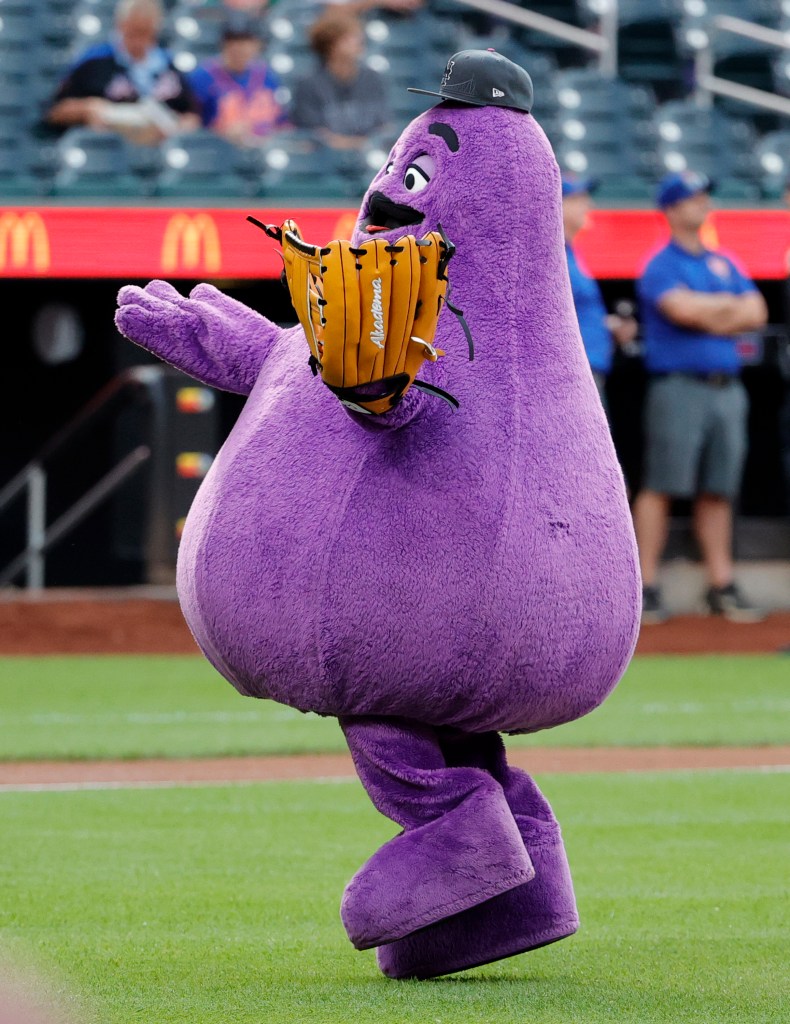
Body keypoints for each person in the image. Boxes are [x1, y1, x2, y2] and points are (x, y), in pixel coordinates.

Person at [633, 170, 769, 624]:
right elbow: (680, 310)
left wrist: (714, 312)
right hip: (679, 386)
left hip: (726, 388)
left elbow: (756, 310)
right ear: (671, 208)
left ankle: (721, 585)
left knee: (719, 488)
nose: (703, 204)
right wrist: (725, 311)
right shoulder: (661, 263)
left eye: (705, 196)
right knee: (662, 486)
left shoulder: (723, 261)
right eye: (692, 198)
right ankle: (644, 586)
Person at [44, 0, 200, 146]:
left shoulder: (167, 65)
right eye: (133, 32)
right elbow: (55, 112)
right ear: (120, 25)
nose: (139, 41)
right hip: (107, 152)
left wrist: (183, 125)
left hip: (158, 155)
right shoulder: (95, 61)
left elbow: (191, 116)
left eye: (146, 33)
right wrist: (87, 108)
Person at [562, 172, 639, 417]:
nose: (589, 205)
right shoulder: (551, 255)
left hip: (588, 375)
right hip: (570, 380)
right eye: (579, 198)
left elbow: (575, 313)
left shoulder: (571, 253)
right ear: (557, 203)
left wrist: (608, 325)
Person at [288, 8, 392, 152]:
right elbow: (314, 138)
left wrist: (356, 145)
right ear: (331, 45)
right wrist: (360, 144)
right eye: (349, 38)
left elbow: (384, 128)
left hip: (368, 164)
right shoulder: (308, 84)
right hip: (325, 164)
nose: (359, 42)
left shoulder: (372, 79)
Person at [187, 12, 288, 147]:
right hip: (220, 155)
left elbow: (283, 124)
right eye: (232, 40)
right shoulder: (202, 77)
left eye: (245, 40)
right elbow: (190, 129)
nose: (238, 47)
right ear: (222, 44)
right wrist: (220, 135)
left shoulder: (267, 76)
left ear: (257, 44)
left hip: (263, 155)